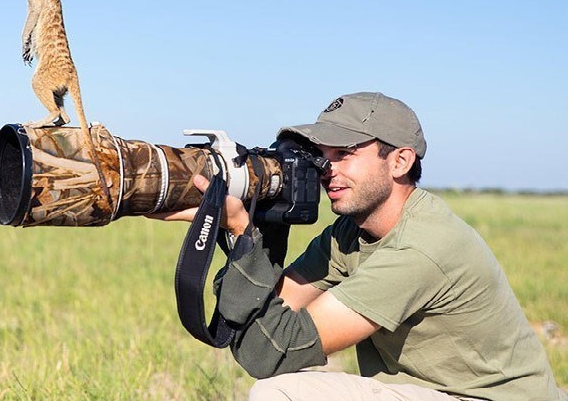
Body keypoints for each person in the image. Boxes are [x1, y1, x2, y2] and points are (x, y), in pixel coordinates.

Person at [153, 92, 566, 401]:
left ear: (400, 161)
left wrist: (244, 234)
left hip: (481, 399)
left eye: (345, 154)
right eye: (321, 155)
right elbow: (265, 317)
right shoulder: (351, 233)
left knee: (281, 393)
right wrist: (245, 225)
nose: (326, 169)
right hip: (428, 393)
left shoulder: (422, 247)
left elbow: (272, 353)